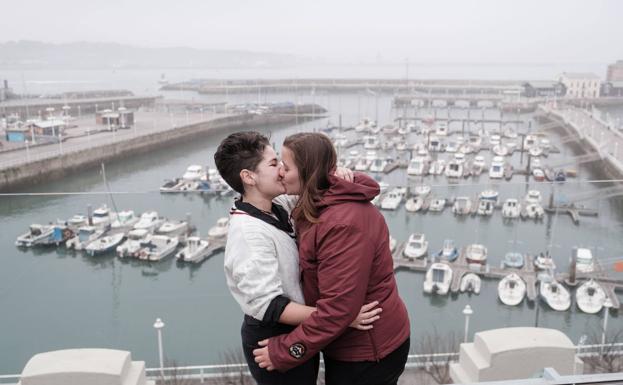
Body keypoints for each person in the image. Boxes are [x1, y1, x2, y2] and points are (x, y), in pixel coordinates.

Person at [213, 131, 382, 385]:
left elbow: (314, 184)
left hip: (299, 330)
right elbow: (269, 305)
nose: (282, 170)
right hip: (272, 338)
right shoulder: (249, 234)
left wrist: (336, 173)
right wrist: (340, 316)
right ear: (248, 177)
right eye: (273, 164)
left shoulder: (279, 205)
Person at [253, 132, 411, 385]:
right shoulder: (316, 203)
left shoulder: (342, 224)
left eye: (287, 166)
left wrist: (285, 351)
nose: (280, 172)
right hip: (349, 343)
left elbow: (338, 309)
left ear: (309, 172)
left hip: (369, 351)